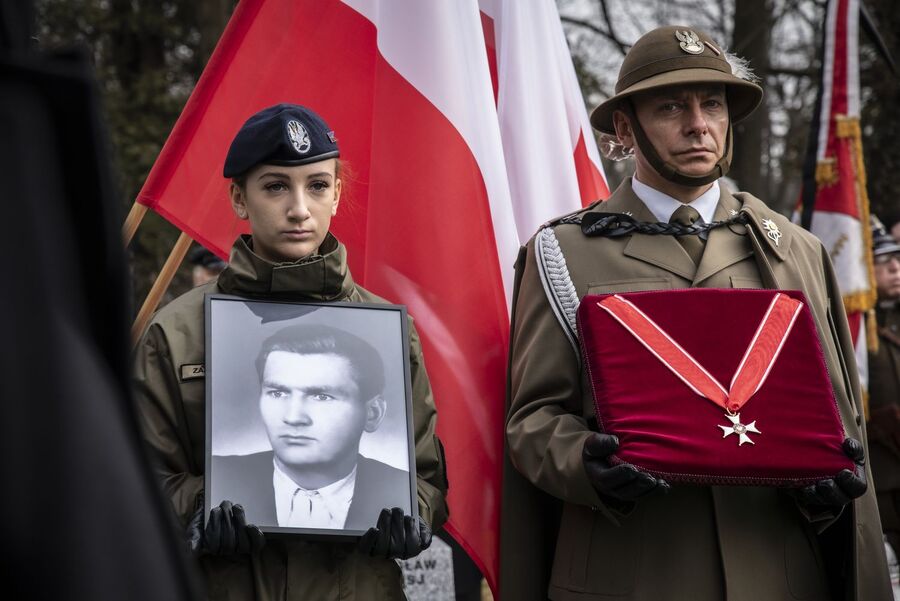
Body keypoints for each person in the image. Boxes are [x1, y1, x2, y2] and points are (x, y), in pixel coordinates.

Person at [503, 26, 891, 601]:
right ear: (625, 129)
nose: (698, 124)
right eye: (670, 107)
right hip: (629, 568)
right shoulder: (563, 251)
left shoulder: (793, 248)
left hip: (775, 570)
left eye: (712, 103)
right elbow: (532, 418)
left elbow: (835, 416)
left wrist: (829, 488)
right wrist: (586, 462)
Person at [134, 103, 448, 600]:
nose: (299, 208)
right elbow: (141, 478)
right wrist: (201, 506)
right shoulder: (177, 333)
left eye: (317, 185)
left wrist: (413, 514)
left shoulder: (388, 329)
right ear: (240, 197)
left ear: (337, 194)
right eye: (276, 186)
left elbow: (426, 476)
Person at [210, 324, 411, 531]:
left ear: (373, 413)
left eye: (321, 396)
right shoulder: (215, 478)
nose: (293, 417)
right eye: (278, 393)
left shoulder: (403, 494)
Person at [868, 216, 900, 558]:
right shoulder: (857, 325)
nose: (895, 267)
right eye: (883, 262)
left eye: (897, 259)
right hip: (880, 474)